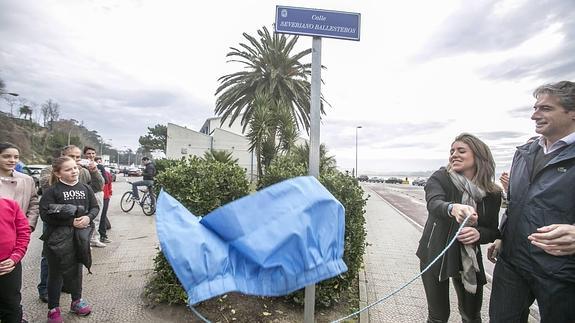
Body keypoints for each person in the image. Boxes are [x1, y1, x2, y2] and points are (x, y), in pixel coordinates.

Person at [489, 81, 575, 323]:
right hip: (512, 264)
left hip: (561, 273)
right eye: (535, 108)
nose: (534, 115)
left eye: (545, 109)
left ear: (572, 112)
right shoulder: (523, 153)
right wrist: (501, 236)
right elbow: (517, 203)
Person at [416, 133, 501, 323]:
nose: (454, 154)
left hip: (469, 259)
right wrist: (452, 208)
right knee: (438, 317)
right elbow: (434, 203)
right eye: (452, 151)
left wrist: (478, 234)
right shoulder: (440, 177)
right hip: (435, 253)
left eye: (461, 150)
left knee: (471, 316)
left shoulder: (493, 193)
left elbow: (493, 230)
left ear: (479, 156)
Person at [37, 145, 105, 304]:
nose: (75, 165)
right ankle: (47, 291)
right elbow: (47, 205)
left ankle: (73, 293)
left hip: (79, 229)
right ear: (62, 157)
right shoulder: (50, 173)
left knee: (76, 262)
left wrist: (94, 170)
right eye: (71, 157)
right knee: (52, 261)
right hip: (57, 229)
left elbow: (97, 188)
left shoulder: (83, 171)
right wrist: (70, 219)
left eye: (77, 158)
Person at [0, 198, 31, 323]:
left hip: (9, 266)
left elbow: (23, 232)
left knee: (11, 305)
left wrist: (16, 256)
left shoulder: (11, 205)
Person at [82, 146, 106, 247]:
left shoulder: (99, 166)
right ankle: (85, 241)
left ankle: (94, 238)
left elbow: (104, 181)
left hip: (97, 193)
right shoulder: (81, 166)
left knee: (96, 217)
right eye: (88, 153)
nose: (91, 155)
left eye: (93, 153)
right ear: (84, 154)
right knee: (85, 217)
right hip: (85, 194)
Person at [95, 156, 112, 244]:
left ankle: (103, 235)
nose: (99, 163)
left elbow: (109, 184)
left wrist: (109, 194)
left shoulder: (106, 173)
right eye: (97, 161)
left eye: (100, 161)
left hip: (105, 197)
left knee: (102, 217)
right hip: (97, 196)